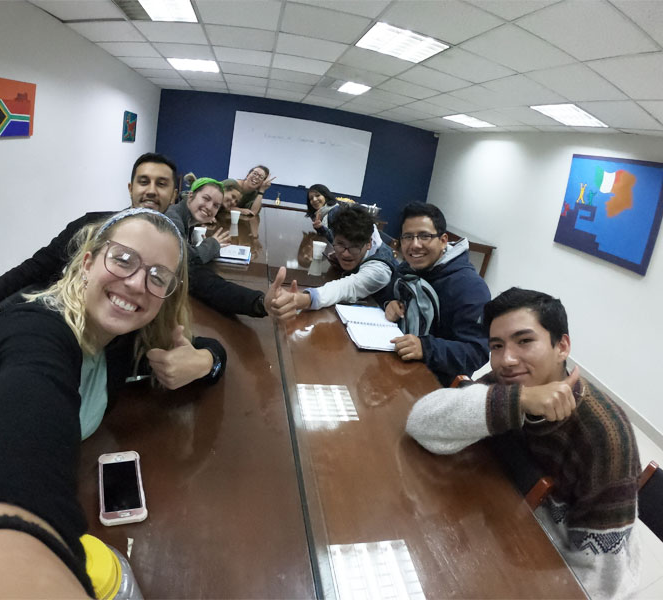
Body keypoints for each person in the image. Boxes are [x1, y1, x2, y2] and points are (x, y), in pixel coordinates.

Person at [0, 208, 226, 597]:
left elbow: (208, 349)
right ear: (87, 262)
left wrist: (203, 362)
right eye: (123, 260)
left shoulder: (121, 334)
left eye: (157, 277)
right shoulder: (33, 328)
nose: (137, 283)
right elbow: (24, 427)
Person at [405, 288, 641, 599]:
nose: (507, 359)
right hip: (500, 518)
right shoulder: (509, 385)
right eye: (497, 346)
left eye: (525, 341)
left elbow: (601, 577)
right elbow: (420, 422)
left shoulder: (603, 435)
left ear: (562, 346)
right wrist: (521, 400)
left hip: (550, 562)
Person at [0, 152, 179, 336]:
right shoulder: (90, 225)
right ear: (131, 188)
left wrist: (200, 358)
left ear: (174, 196)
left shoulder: (176, 254)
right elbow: (38, 265)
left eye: (161, 184)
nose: (151, 190)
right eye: (144, 182)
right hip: (57, 327)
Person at [382, 202, 490, 385]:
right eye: (407, 237)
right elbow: (390, 292)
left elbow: (476, 353)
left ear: (443, 240)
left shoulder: (470, 288)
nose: (415, 245)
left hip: (435, 382)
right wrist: (390, 303)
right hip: (398, 361)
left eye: (424, 236)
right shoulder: (408, 268)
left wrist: (425, 348)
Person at [269, 204, 396, 319]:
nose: (345, 253)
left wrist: (304, 298)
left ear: (369, 244)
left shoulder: (380, 270)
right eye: (340, 244)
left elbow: (347, 287)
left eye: (354, 246)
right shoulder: (348, 240)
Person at [165, 177, 230, 264]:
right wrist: (212, 244)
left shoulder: (188, 219)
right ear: (191, 196)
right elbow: (184, 257)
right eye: (206, 198)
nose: (209, 207)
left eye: (216, 205)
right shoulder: (172, 218)